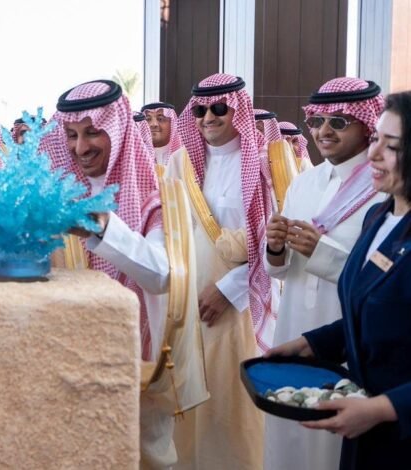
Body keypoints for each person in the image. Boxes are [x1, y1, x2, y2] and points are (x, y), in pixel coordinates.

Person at [44, 79, 208, 469]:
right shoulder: (57, 193)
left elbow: (163, 275)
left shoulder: (157, 192)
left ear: (116, 130)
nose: (80, 147)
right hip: (70, 358)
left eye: (92, 132)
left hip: (139, 363)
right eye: (71, 135)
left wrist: (104, 228)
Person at [268, 90, 411, 470]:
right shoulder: (380, 218)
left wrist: (384, 408)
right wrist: (312, 343)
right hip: (367, 421)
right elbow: (371, 311)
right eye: (376, 139)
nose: (374, 154)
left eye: (390, 145)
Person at [165, 73, 275, 470]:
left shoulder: (262, 162)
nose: (208, 118)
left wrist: (229, 290)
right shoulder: (179, 164)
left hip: (238, 307)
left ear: (238, 110)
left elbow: (274, 242)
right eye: (199, 110)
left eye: (219, 108)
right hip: (185, 303)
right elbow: (168, 232)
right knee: (187, 405)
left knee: (231, 407)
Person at [141, 102, 181, 166]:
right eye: (148, 119)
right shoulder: (135, 155)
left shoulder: (184, 156)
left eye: (160, 119)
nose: (153, 124)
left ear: (172, 124)